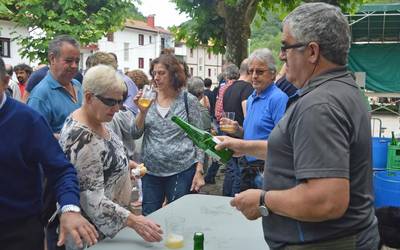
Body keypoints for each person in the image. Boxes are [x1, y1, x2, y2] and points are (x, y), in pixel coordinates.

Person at [216, 3, 379, 249]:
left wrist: (262, 199)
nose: (281, 56)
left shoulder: (319, 105)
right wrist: (244, 146)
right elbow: (299, 149)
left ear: (312, 52)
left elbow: (327, 200)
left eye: (285, 46)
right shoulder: (341, 88)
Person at [59, 65, 163, 249]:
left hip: (111, 229)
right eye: (110, 102)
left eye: (120, 101)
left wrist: (124, 165)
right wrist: (134, 221)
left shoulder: (98, 118)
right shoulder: (81, 138)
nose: (116, 108)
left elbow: (104, 158)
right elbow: (92, 200)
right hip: (92, 235)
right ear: (89, 97)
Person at [0, 57, 98, 249]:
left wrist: (70, 209)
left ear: (4, 83)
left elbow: (61, 170)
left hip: (17, 230)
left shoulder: (27, 119)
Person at [131, 54, 205, 216]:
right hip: (151, 171)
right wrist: (142, 113)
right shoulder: (147, 98)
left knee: (177, 217)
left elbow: (199, 138)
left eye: (161, 73)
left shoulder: (188, 100)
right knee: (150, 217)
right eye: (154, 73)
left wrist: (199, 170)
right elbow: (135, 133)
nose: (156, 77)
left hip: (181, 170)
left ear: (174, 74)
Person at [221, 49, 288, 194]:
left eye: (260, 71)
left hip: (265, 167)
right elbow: (253, 132)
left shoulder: (278, 98)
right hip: (246, 164)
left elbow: (282, 141)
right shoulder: (251, 97)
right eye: (251, 71)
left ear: (273, 74)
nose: (254, 76)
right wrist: (237, 129)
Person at [27, 35, 82, 135]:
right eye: (69, 61)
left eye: (77, 61)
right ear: (52, 59)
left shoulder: (77, 85)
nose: (74, 66)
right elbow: (34, 137)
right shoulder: (40, 96)